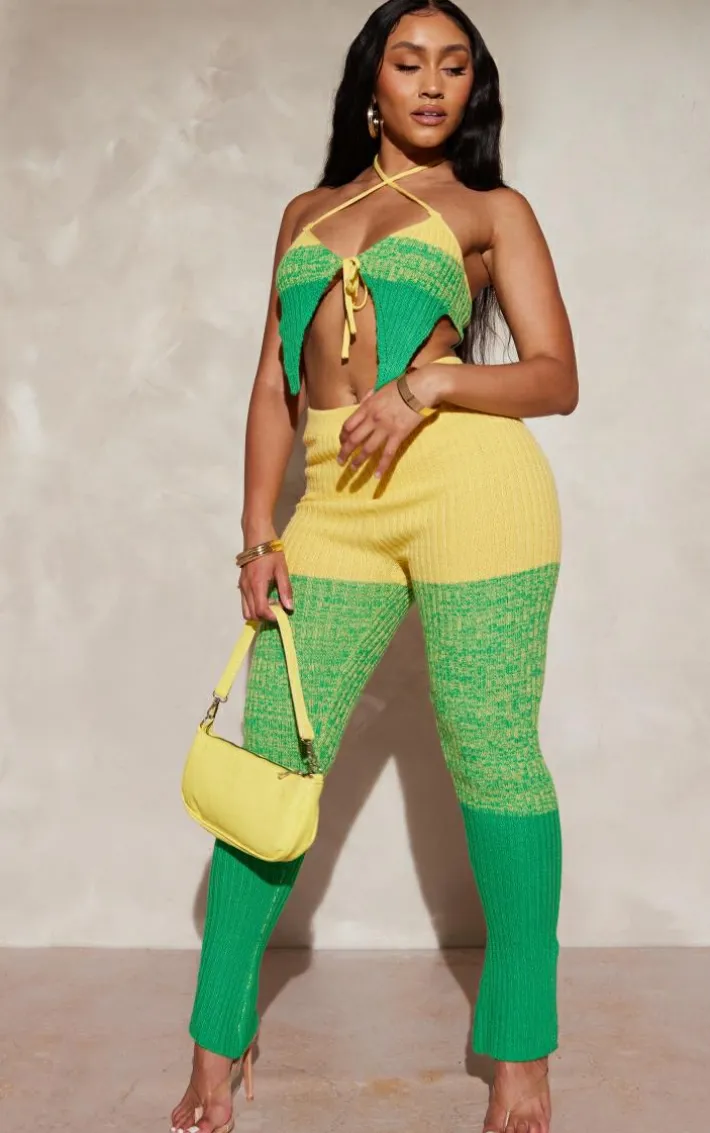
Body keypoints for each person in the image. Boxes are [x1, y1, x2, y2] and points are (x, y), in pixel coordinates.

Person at [170, 2, 578, 1131]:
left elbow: (554, 376)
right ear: (372, 82)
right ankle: (215, 1039)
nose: (433, 84)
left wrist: (426, 383)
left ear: (473, 89)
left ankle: (521, 1048)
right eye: (409, 62)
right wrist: (259, 533)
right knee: (273, 757)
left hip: (472, 488)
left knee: (492, 751)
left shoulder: (491, 209)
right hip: (335, 503)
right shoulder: (304, 213)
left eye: (454, 67)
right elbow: (273, 384)